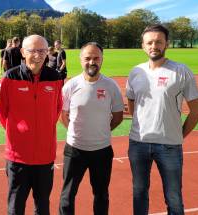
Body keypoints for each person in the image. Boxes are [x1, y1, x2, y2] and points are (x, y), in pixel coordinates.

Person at [126, 24, 198, 215]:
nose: (154, 46)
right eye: (149, 42)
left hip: (169, 146)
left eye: (159, 42)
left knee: (174, 197)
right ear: (143, 46)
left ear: (166, 44)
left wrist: (179, 134)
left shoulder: (181, 71)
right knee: (139, 192)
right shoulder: (136, 72)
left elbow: (196, 111)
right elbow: (132, 103)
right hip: (138, 143)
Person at [0, 34, 63, 215]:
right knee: (15, 207)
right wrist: (19, 132)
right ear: (22, 52)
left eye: (42, 50)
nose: (38, 55)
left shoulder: (55, 77)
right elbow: (2, 112)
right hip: (17, 157)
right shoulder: (10, 77)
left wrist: (43, 130)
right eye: (32, 50)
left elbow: (57, 109)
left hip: (45, 156)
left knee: (42, 206)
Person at [59, 42, 124, 215]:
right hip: (74, 150)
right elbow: (63, 115)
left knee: (101, 195)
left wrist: (101, 131)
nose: (92, 62)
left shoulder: (111, 86)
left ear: (102, 59)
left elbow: (118, 117)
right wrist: (75, 133)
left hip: (102, 151)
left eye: (96, 58)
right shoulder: (70, 86)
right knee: (67, 196)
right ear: (81, 60)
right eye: (88, 58)